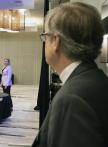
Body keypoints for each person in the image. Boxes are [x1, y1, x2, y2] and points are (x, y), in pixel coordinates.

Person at [33, 2, 108, 147]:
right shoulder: (96, 80)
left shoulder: (71, 100)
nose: (45, 42)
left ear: (55, 41)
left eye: (45, 36)